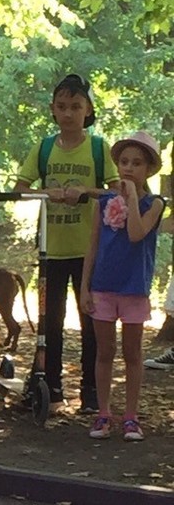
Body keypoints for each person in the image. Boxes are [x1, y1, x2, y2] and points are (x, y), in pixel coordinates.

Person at [14, 74, 119, 413]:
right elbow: (20, 188)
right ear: (53, 111)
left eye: (76, 106)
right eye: (62, 107)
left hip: (90, 253)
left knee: (91, 322)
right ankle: (51, 387)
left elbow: (117, 191)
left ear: (89, 110)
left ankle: (91, 392)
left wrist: (85, 192)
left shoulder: (99, 148)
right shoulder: (43, 148)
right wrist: (49, 193)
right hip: (51, 251)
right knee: (50, 321)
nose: (69, 113)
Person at [80, 131, 165, 441]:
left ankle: (130, 416)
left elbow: (135, 234)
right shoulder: (103, 202)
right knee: (105, 351)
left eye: (137, 163)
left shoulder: (154, 203)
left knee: (132, 353)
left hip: (134, 289)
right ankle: (103, 413)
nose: (129, 168)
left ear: (149, 169)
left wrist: (130, 198)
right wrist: (84, 288)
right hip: (103, 287)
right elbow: (92, 246)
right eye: (124, 162)